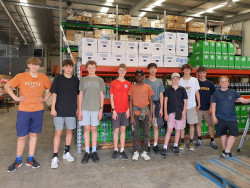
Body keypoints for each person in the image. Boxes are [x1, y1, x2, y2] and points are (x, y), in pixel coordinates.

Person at [4, 57, 52, 173]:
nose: (34, 66)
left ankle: (30, 159)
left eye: (36, 65)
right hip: (24, 110)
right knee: (22, 136)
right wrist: (15, 97)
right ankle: (18, 160)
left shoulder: (43, 78)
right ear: (28, 65)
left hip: (38, 110)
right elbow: (6, 86)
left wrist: (45, 98)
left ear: (39, 66)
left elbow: (52, 89)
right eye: (32, 64)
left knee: (34, 135)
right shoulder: (21, 76)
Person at [50, 59, 79, 169]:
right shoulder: (58, 79)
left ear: (72, 68)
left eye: (70, 66)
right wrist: (53, 108)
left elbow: (77, 96)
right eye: (66, 66)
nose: (68, 68)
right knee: (58, 132)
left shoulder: (76, 80)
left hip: (71, 110)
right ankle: (55, 157)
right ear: (63, 67)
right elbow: (54, 94)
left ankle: (66, 152)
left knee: (69, 131)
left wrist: (78, 108)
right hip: (59, 110)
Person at [212, 76, 250, 158]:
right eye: (222, 82)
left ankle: (226, 151)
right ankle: (226, 151)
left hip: (231, 118)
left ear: (228, 83)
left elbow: (243, 100)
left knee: (234, 134)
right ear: (219, 83)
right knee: (223, 134)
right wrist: (213, 117)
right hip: (220, 117)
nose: (224, 83)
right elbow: (213, 106)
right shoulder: (216, 93)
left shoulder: (233, 92)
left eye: (225, 81)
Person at [78, 60, 105, 164]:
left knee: (94, 129)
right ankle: (87, 152)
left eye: (93, 67)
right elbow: (80, 95)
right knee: (86, 129)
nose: (91, 69)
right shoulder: (83, 80)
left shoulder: (100, 80)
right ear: (86, 68)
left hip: (96, 108)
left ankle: (94, 151)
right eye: (89, 67)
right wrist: (79, 110)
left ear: (96, 68)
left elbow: (102, 95)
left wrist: (101, 109)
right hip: (85, 108)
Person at [129, 70, 154, 161]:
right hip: (135, 113)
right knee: (135, 134)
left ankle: (144, 152)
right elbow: (130, 102)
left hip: (146, 113)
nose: (139, 77)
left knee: (146, 134)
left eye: (141, 75)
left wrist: (151, 115)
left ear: (144, 77)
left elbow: (151, 101)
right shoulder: (132, 87)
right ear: (135, 77)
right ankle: (136, 152)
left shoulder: (148, 87)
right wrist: (131, 116)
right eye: (137, 75)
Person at [161, 73, 187, 158]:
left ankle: (175, 145)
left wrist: (183, 113)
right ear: (171, 80)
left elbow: (185, 102)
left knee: (178, 130)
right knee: (169, 130)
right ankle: (165, 147)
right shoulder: (168, 89)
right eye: (173, 78)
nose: (175, 80)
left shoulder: (182, 89)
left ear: (179, 80)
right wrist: (165, 113)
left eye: (177, 78)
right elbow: (165, 102)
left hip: (180, 112)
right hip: (171, 112)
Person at [110, 64, 131, 160]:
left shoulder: (128, 83)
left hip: (125, 111)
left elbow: (130, 98)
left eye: (124, 70)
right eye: (120, 70)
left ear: (126, 72)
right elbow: (111, 97)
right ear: (118, 71)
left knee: (123, 131)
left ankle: (122, 150)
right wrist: (113, 110)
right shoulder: (114, 83)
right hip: (116, 111)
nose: (122, 72)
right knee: (116, 131)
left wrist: (128, 110)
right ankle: (115, 150)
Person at [144, 63, 164, 154]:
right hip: (147, 106)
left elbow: (161, 95)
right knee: (147, 127)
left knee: (156, 127)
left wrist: (161, 108)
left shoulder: (159, 82)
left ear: (156, 70)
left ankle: (155, 145)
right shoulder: (144, 81)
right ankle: (147, 145)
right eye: (151, 68)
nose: (152, 70)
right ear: (148, 70)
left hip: (156, 105)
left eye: (154, 68)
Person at [179, 64, 200, 151]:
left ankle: (191, 142)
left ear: (191, 70)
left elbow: (197, 93)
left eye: (189, 69)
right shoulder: (179, 81)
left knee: (192, 124)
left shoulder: (194, 80)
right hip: (181, 106)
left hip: (192, 105)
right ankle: (182, 141)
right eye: (185, 69)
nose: (187, 70)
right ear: (183, 70)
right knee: (182, 125)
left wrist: (199, 104)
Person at [195, 67, 217, 149]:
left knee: (210, 124)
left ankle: (212, 140)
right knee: (198, 124)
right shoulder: (195, 82)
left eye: (203, 72)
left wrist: (211, 107)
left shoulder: (210, 83)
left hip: (208, 108)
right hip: (198, 108)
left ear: (205, 73)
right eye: (199, 73)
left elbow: (213, 96)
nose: (201, 74)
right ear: (198, 74)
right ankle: (199, 139)